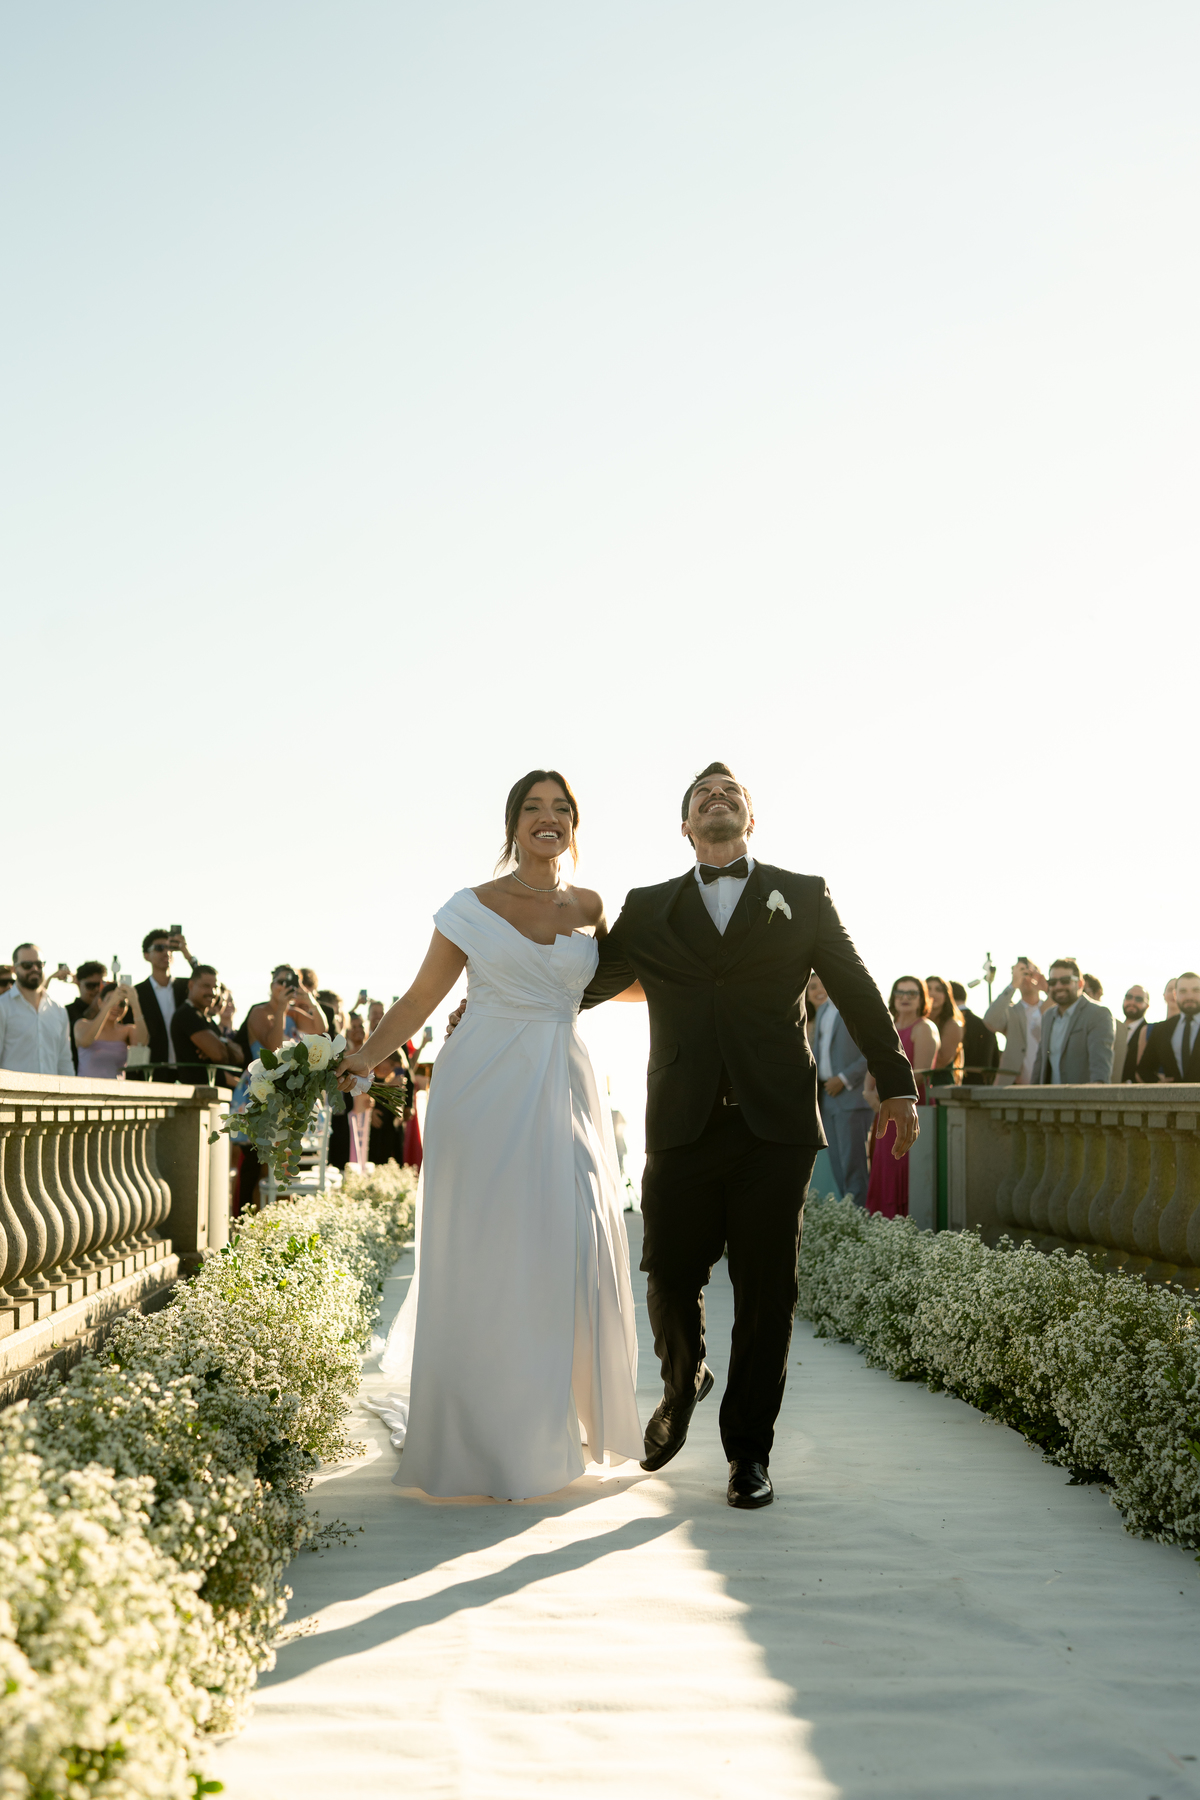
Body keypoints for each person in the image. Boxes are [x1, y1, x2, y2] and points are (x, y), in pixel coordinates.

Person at [578, 761, 918, 1511]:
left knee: (768, 1295)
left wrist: (896, 1082)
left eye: (731, 791)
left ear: (751, 819)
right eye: (704, 794)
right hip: (681, 1123)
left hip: (776, 1128)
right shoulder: (648, 907)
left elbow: (857, 987)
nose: (718, 796)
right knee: (668, 1272)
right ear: (685, 826)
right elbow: (580, 987)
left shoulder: (802, 895)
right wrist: (495, 1008)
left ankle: (749, 1456)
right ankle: (682, 1378)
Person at [341, 769, 643, 1502]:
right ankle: (486, 1435)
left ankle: (552, 1418)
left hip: (566, 1083)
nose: (549, 818)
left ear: (576, 823)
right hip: (481, 1089)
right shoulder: (470, 907)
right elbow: (422, 996)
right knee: (492, 1249)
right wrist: (363, 1058)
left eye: (561, 808)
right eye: (534, 808)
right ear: (512, 825)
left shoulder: (592, 905)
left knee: (572, 1242)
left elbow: (624, 984)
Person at [865, 977, 939, 1221]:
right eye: (900, 992)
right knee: (885, 1169)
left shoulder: (924, 1028)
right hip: (884, 1109)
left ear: (922, 999)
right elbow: (872, 1070)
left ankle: (906, 1229)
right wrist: (869, 1093)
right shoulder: (887, 1028)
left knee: (906, 1170)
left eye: (912, 993)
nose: (905, 997)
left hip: (909, 1109)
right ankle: (883, 1229)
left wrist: (885, 1096)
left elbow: (919, 1075)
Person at [807, 972, 873, 1205]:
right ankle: (849, 1223)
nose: (822, 988)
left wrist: (843, 1079)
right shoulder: (823, 1009)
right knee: (838, 1167)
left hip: (851, 1097)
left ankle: (861, 1224)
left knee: (855, 1167)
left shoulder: (856, 1007)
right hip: (826, 1098)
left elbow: (873, 1050)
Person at [1032, 958, 1115, 1084]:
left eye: (1065, 981)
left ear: (1080, 984)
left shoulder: (1098, 1014)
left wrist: (1096, 1096)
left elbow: (1100, 1066)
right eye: (1053, 982)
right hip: (1050, 1101)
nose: (1058, 986)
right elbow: (1040, 1064)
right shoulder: (1048, 1016)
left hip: (1081, 1100)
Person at [132, 929, 200, 1081]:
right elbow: (134, 1037)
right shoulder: (137, 993)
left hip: (188, 1071)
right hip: (153, 1072)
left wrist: (186, 953)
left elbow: (206, 981)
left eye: (170, 948)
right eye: (159, 948)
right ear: (146, 955)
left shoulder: (186, 987)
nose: (166, 952)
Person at [0, 944, 75, 1076]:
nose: (34, 969)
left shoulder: (58, 1010)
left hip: (51, 1094)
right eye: (27, 965)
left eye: (39, 964)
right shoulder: (3, 1006)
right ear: (14, 969)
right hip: (11, 1095)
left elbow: (64, 1062)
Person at [170, 966, 244, 1081]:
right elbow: (220, 1055)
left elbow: (240, 1057)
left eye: (216, 987)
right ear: (191, 985)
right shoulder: (187, 1014)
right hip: (196, 1093)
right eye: (206, 986)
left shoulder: (208, 1020)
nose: (212, 992)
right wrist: (220, 1047)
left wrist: (219, 1042)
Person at [985, 959, 1049, 1087]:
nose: (1027, 979)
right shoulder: (1010, 1011)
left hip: (1047, 1083)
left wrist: (1048, 990)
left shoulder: (1051, 1008)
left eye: (1031, 974)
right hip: (1015, 1085)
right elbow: (990, 1021)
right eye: (1023, 975)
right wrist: (1012, 985)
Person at [73, 978, 149, 1079]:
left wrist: (135, 1003)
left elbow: (142, 1043)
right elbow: (86, 1041)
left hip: (117, 1091)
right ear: (100, 1002)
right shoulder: (82, 1024)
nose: (116, 1007)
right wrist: (109, 1005)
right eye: (111, 1000)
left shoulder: (127, 1030)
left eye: (122, 1004)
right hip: (87, 1091)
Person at [1137, 972, 1200, 1084]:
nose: (1189, 996)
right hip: (1172, 1099)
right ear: (1175, 995)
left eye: (1196, 990)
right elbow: (1143, 1069)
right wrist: (1157, 1082)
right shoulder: (1161, 1029)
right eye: (1183, 991)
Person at [951, 980, 1000, 1085]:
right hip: (985, 1086)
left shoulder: (951, 1024)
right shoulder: (986, 1024)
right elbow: (996, 1059)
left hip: (958, 1087)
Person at [65, 961, 108, 1073]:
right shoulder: (66, 1011)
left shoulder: (112, 1012)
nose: (97, 990)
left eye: (101, 985)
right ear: (78, 984)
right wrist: (94, 1009)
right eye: (91, 986)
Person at [925, 975, 964, 1086]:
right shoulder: (916, 1022)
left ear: (946, 996)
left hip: (939, 1090)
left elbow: (940, 1062)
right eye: (928, 989)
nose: (932, 993)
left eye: (938, 990)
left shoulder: (952, 1025)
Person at [1111, 984, 1152, 1082]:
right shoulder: (1112, 1029)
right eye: (1129, 997)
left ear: (1147, 1006)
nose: (1132, 1002)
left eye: (1139, 999)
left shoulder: (1150, 1033)